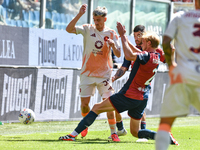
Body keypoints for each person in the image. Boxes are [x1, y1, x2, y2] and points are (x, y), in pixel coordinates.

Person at [59, 22, 178, 144]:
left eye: (142, 41)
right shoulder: (157, 55)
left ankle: (72, 135)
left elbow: (129, 55)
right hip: (143, 97)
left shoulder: (146, 56)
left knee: (96, 108)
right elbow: (164, 60)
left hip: (130, 94)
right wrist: (172, 52)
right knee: (135, 132)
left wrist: (121, 36)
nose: (139, 42)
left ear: (148, 43)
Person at [65, 4, 121, 141]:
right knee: (85, 104)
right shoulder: (87, 29)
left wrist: (113, 46)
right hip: (87, 74)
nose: (96, 22)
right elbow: (68, 29)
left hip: (104, 75)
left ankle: (113, 133)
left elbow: (119, 54)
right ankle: (84, 126)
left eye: (99, 20)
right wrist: (79, 14)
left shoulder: (112, 33)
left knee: (109, 104)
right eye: (95, 19)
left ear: (105, 19)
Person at [155, 0, 200, 149]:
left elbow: (166, 41)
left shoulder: (180, 16)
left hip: (183, 73)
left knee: (165, 123)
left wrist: (171, 65)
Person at [112, 25, 165, 139]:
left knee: (140, 109)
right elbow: (124, 67)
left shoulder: (154, 50)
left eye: (139, 35)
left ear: (145, 36)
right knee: (114, 102)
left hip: (144, 86)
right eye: (135, 35)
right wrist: (113, 78)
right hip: (132, 85)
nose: (136, 38)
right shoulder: (132, 50)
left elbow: (167, 59)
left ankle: (143, 134)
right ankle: (121, 128)